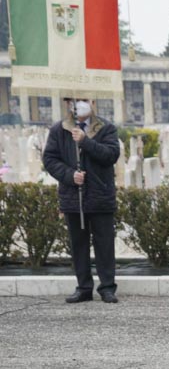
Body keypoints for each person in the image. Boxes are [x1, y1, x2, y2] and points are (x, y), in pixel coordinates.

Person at [41, 96, 121, 304]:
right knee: (78, 244)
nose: (80, 104)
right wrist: (69, 175)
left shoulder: (106, 128)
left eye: (85, 99)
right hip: (73, 196)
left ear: (93, 103)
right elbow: (50, 159)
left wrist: (86, 141)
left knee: (104, 244)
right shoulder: (60, 129)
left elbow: (111, 155)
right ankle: (84, 287)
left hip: (100, 195)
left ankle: (107, 287)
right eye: (75, 100)